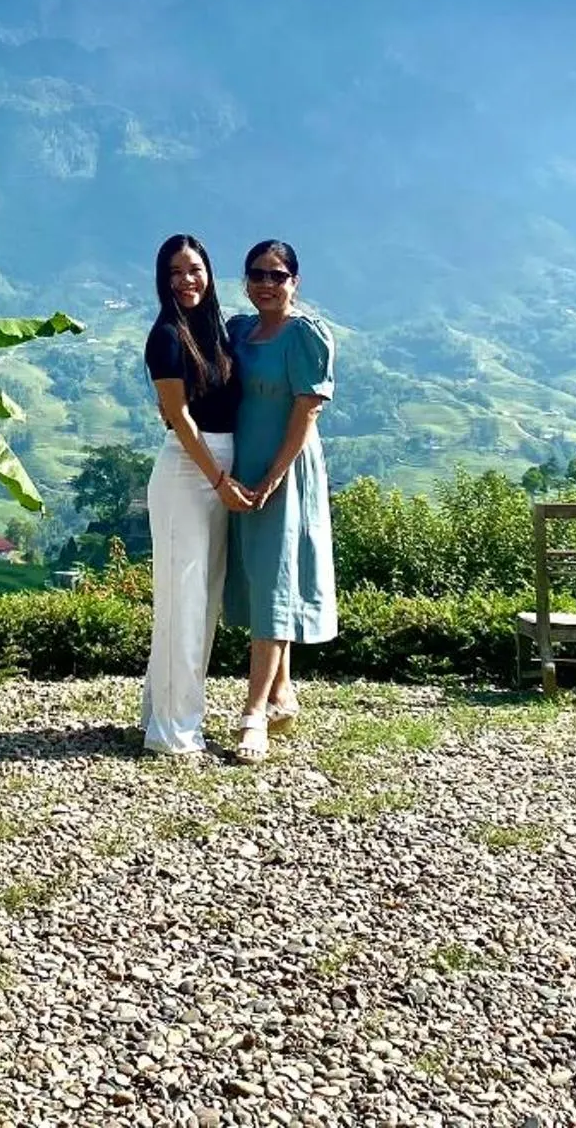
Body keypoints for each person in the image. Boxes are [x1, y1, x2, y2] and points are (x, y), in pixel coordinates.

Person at [222, 239, 336, 765]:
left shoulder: (306, 336)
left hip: (285, 470)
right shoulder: (239, 332)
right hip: (240, 467)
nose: (267, 284)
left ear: (295, 281)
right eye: (258, 274)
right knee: (263, 578)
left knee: (272, 581)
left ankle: (252, 718)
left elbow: (307, 411)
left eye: (278, 275)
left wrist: (271, 477)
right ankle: (281, 691)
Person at [139, 234, 252, 757]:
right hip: (189, 471)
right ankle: (173, 732)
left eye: (195, 269)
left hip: (220, 467)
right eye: (175, 272)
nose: (187, 280)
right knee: (182, 603)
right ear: (164, 280)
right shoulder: (165, 336)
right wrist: (219, 480)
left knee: (203, 603)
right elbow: (180, 420)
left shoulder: (217, 334)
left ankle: (167, 715)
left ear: (209, 272)